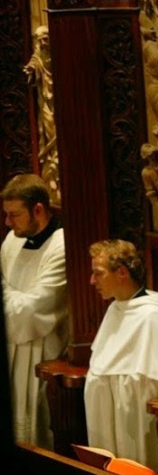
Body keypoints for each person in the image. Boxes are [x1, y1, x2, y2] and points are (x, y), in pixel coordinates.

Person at [83, 239, 158, 473]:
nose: (92, 281)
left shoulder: (152, 316)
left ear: (122, 273)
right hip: (106, 418)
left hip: (135, 422)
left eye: (98, 273)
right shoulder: (115, 308)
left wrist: (124, 392)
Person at [1, 174, 67, 448]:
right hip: (11, 346)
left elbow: (31, 311)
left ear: (38, 210)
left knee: (37, 434)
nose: (7, 222)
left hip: (43, 353)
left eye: (14, 215)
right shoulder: (12, 240)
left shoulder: (62, 247)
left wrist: (9, 295)